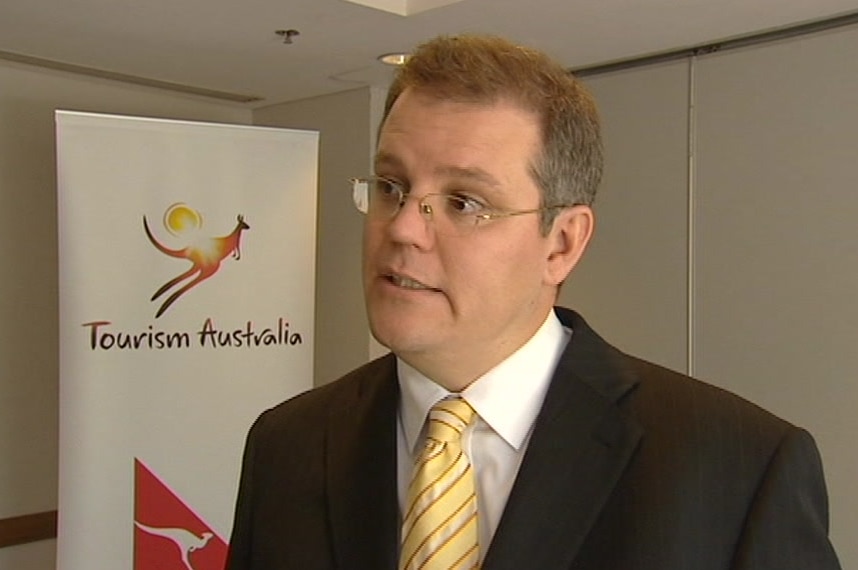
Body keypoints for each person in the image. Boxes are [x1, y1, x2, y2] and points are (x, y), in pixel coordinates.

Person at [225, 34, 841, 570]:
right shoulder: (289, 445)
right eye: (392, 187)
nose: (405, 228)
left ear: (562, 243)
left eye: (465, 202)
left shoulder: (736, 468)